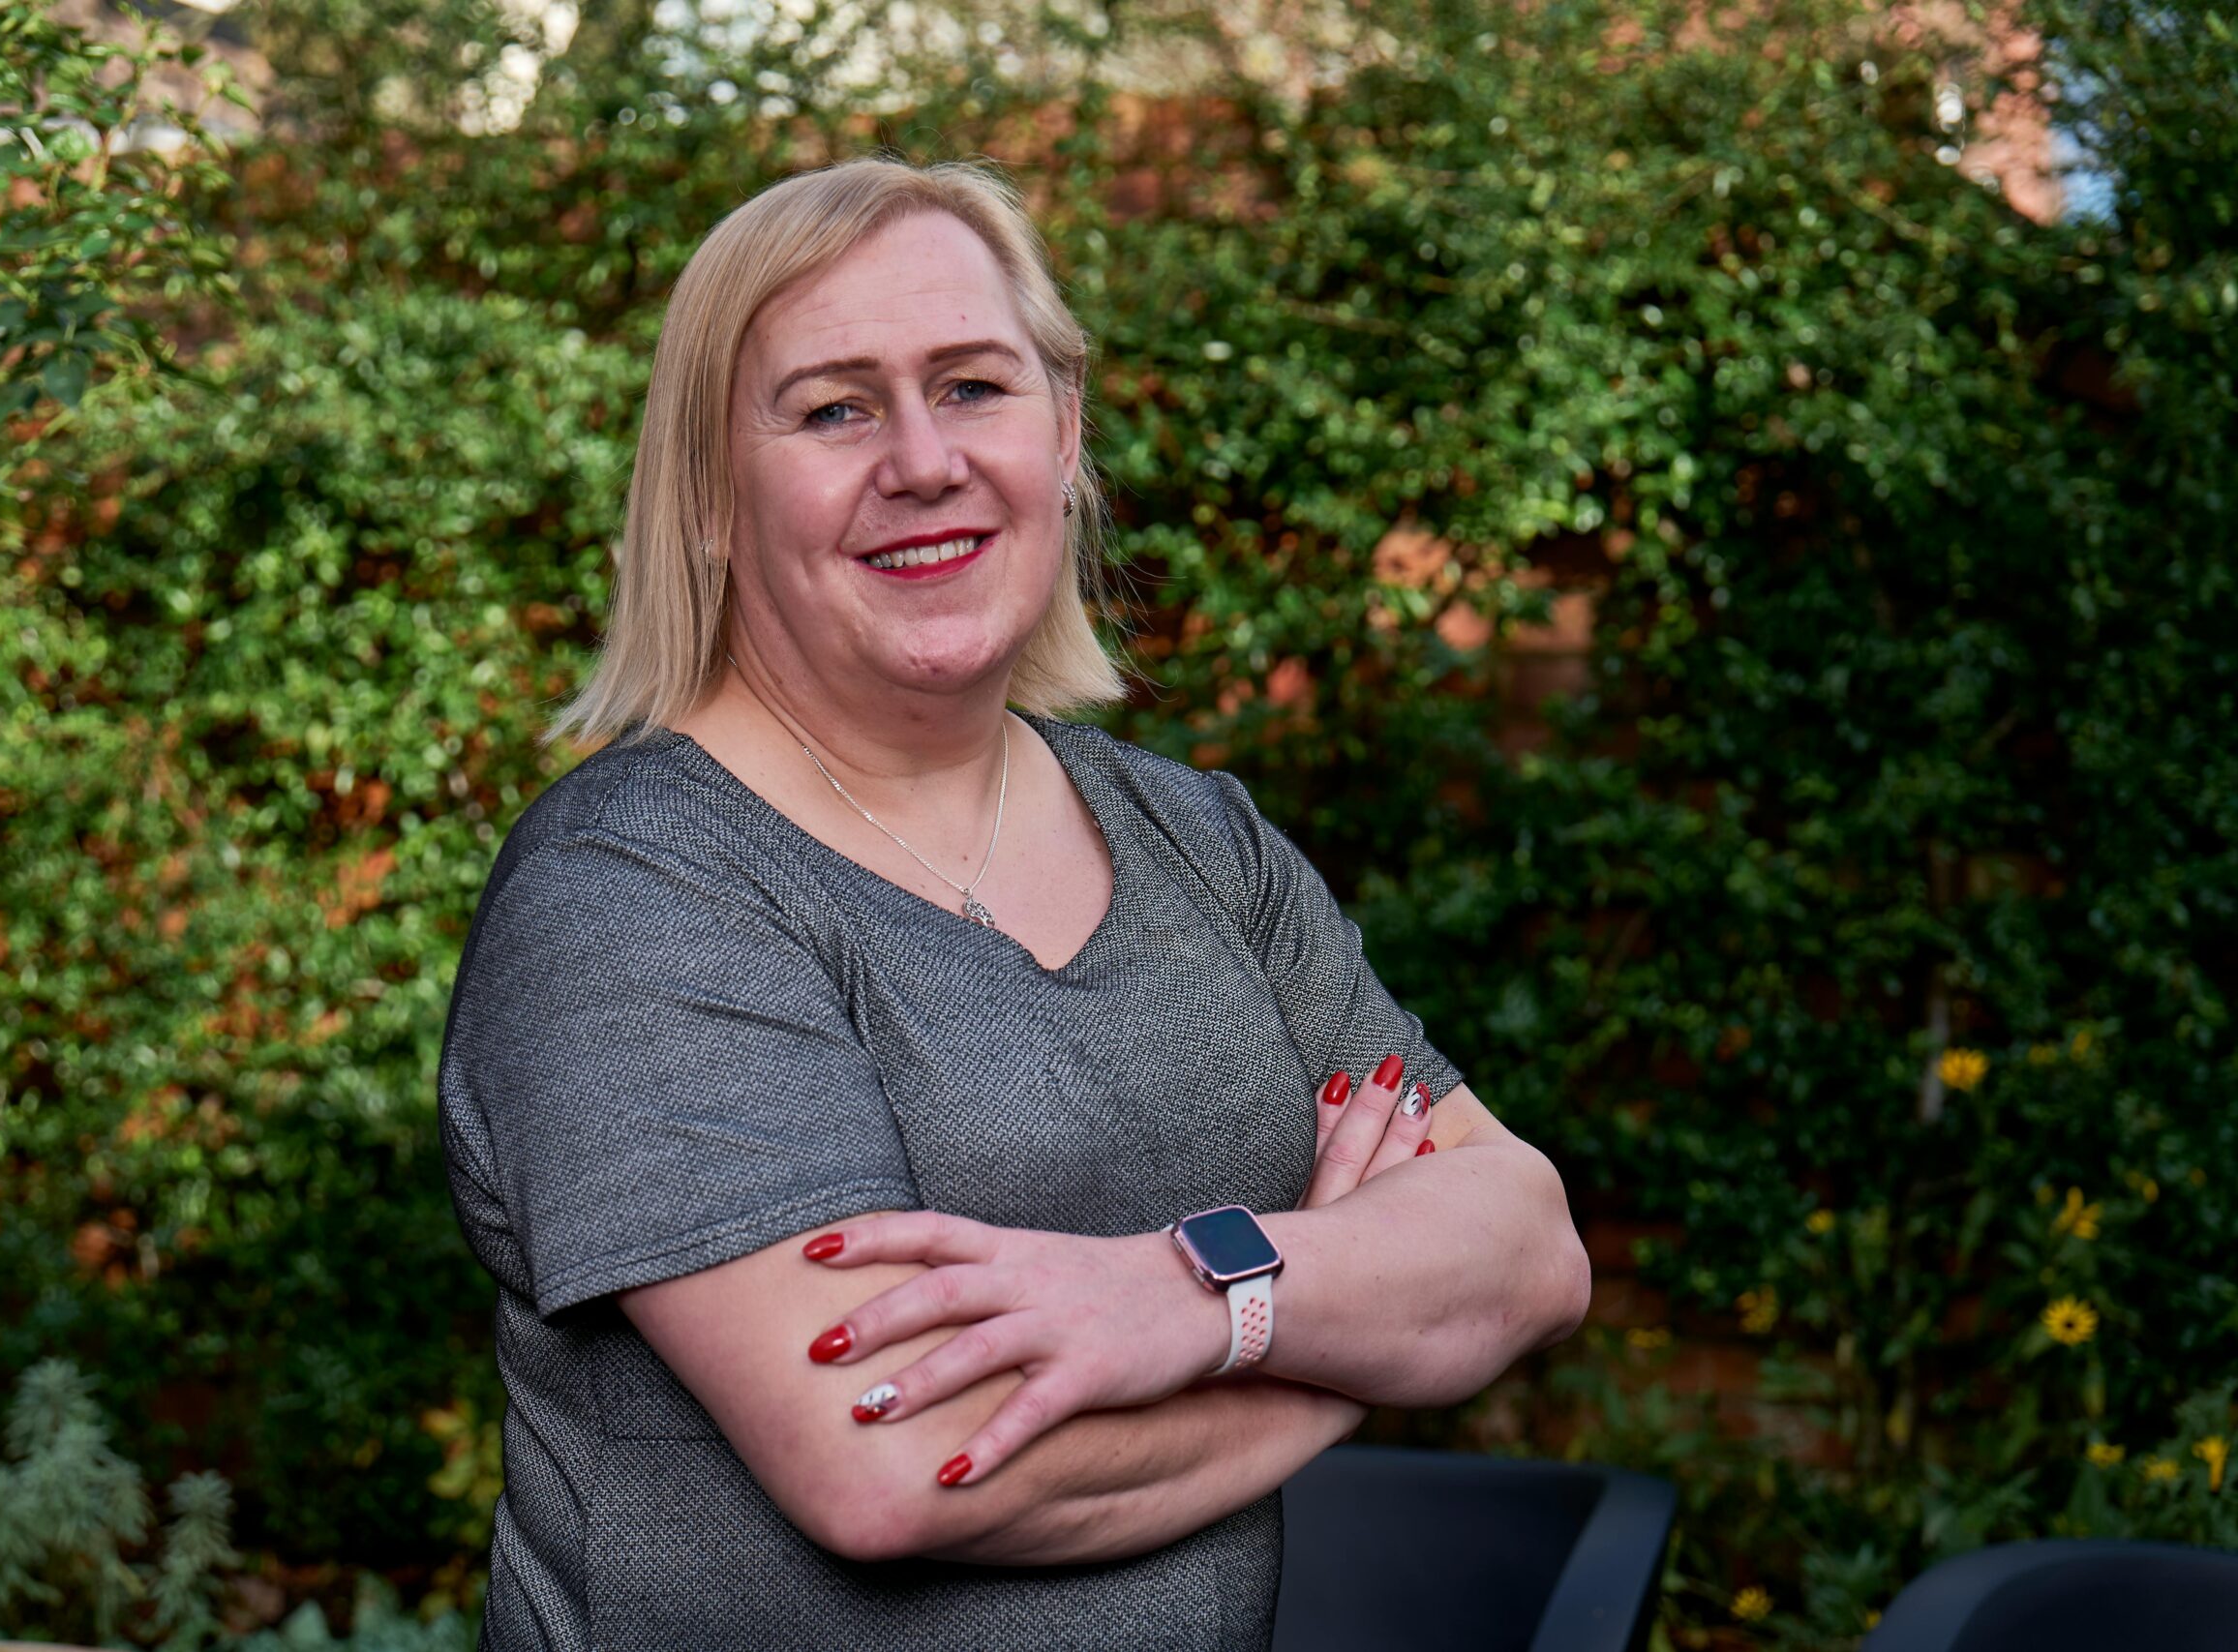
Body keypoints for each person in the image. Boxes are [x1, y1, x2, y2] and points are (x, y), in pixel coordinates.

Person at [436, 154, 1591, 1650]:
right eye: (835, 407)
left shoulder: (1195, 839)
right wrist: (1361, 1332)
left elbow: (1528, 1246)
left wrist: (1190, 1299)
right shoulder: (634, 892)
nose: (923, 460)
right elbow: (903, 1461)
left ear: (1064, 440)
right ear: (714, 499)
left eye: (974, 386)